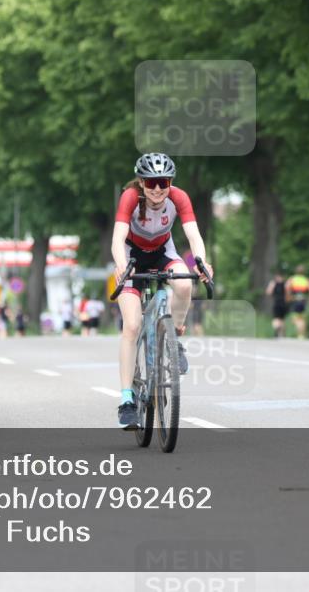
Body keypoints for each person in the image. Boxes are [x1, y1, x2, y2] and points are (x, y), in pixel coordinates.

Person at [111, 153, 212, 429]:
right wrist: (122, 267)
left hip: (161, 252)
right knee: (132, 326)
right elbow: (117, 239)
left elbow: (194, 236)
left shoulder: (178, 197)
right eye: (152, 182)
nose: (158, 188)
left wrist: (202, 262)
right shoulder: (130, 198)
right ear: (142, 182)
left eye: (164, 182)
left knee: (183, 283)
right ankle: (127, 400)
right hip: (132, 257)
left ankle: (175, 339)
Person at [285, 265, 309, 339]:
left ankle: (299, 332)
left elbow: (287, 288)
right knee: (302, 318)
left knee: (295, 319)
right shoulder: (306, 279)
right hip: (303, 301)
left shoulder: (292, 279)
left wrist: (288, 297)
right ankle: (301, 335)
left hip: (295, 300)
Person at [265, 271, 288, 339]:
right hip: (283, 303)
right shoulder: (285, 284)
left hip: (276, 302)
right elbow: (288, 294)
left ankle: (276, 330)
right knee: (282, 319)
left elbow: (268, 292)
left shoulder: (273, 283)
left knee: (276, 318)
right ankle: (282, 333)